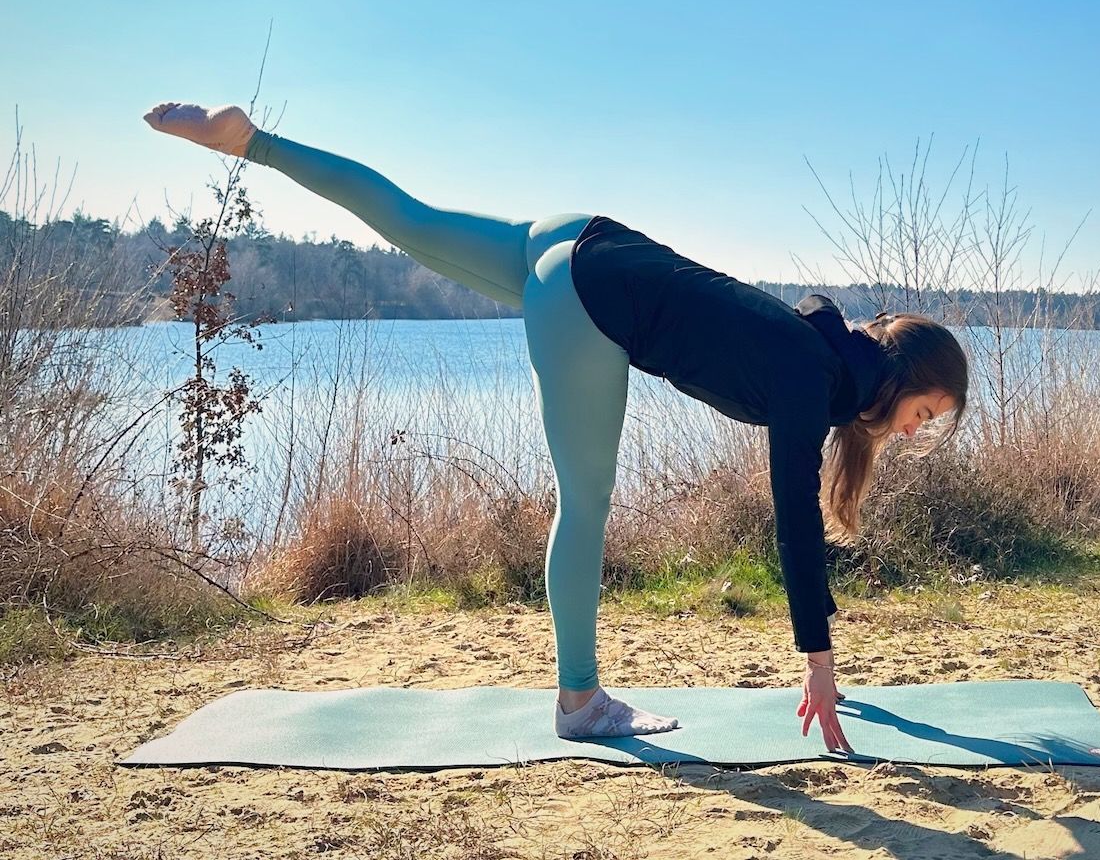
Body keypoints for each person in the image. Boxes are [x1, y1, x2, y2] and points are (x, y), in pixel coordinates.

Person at [143, 102, 969, 751]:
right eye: (923, 415)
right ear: (903, 378)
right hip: (593, 305)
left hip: (578, 239)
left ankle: (251, 142)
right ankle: (579, 700)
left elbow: (815, 466)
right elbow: (793, 524)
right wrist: (819, 664)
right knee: (587, 500)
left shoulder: (822, 345)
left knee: (409, 219)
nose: (911, 433)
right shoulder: (809, 374)